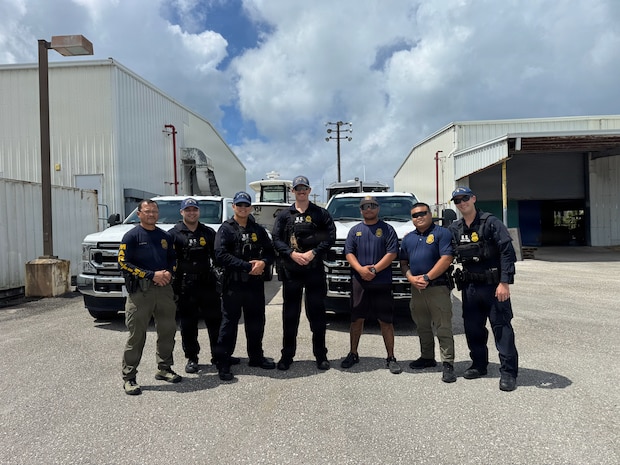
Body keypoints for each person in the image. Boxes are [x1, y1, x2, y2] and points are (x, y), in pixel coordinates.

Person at [448, 187, 519, 392]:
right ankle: (479, 365)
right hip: (470, 287)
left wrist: (505, 282)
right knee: (473, 330)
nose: (462, 203)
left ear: (473, 199)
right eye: (457, 201)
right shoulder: (455, 228)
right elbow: (445, 252)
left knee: (502, 329)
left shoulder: (491, 223)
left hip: (494, 287)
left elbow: (507, 253)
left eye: (465, 198)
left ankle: (508, 372)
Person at [271, 175, 336, 371]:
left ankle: (321, 355)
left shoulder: (320, 213)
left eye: (304, 188)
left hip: (314, 270)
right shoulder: (284, 215)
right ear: (293, 191)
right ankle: (287, 355)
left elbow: (330, 236)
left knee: (317, 314)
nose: (301, 191)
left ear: (309, 190)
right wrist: (291, 253)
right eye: (298, 188)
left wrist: (313, 253)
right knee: (290, 315)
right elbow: (276, 238)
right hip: (292, 272)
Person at [169, 197, 239, 374]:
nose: (191, 213)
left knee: (215, 321)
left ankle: (218, 355)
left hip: (207, 283)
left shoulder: (208, 232)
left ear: (198, 212)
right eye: (188, 210)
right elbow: (169, 260)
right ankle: (192, 358)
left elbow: (217, 258)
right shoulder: (173, 234)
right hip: (185, 285)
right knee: (188, 324)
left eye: (194, 209)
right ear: (182, 212)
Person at [119, 199, 181, 395]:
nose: (151, 214)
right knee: (137, 335)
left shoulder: (165, 236)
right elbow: (123, 263)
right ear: (139, 214)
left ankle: (164, 368)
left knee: (167, 331)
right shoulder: (131, 236)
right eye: (147, 211)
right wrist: (151, 274)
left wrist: (169, 273)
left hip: (164, 290)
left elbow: (173, 259)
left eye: (154, 211)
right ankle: (129, 377)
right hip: (141, 292)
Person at [214, 191, 277, 381]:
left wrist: (264, 263)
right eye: (239, 205)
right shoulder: (225, 229)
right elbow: (220, 255)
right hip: (233, 284)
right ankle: (223, 362)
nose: (243, 209)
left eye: (246, 206)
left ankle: (256, 357)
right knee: (228, 325)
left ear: (250, 208)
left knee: (256, 322)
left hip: (254, 285)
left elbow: (270, 252)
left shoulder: (257, 230)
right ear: (233, 207)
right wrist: (247, 266)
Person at [340, 196, 403, 374]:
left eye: (372, 206)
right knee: (356, 319)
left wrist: (374, 270)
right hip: (359, 282)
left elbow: (392, 253)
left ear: (378, 208)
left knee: (386, 321)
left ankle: (391, 357)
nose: (369, 209)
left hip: (381, 281)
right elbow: (349, 253)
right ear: (360, 210)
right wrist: (361, 270)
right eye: (365, 206)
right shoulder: (354, 230)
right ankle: (353, 353)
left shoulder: (388, 229)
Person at [399, 202, 456, 383]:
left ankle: (448, 363)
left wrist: (427, 277)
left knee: (443, 326)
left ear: (430, 214)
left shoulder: (442, 233)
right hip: (417, 289)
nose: (419, 217)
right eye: (415, 215)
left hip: (437, 287)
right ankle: (427, 357)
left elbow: (446, 258)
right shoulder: (408, 239)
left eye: (423, 213)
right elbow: (403, 263)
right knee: (422, 325)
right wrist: (410, 278)